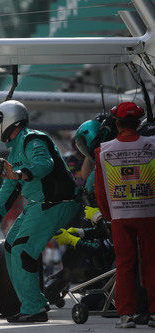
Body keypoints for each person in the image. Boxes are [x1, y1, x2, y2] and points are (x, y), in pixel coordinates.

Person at [0, 100, 80, 322]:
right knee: (11, 246)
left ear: (10, 119)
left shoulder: (34, 140)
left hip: (55, 203)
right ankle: (28, 304)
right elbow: (8, 188)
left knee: (23, 249)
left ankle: (35, 308)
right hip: (38, 204)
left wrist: (20, 173)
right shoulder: (14, 152)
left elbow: (44, 164)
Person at [94, 102, 155, 328]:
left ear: (117, 123)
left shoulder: (103, 151)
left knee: (124, 264)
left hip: (120, 215)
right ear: (139, 123)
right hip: (150, 214)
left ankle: (126, 315)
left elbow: (100, 191)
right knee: (152, 263)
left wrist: (108, 215)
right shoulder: (152, 145)